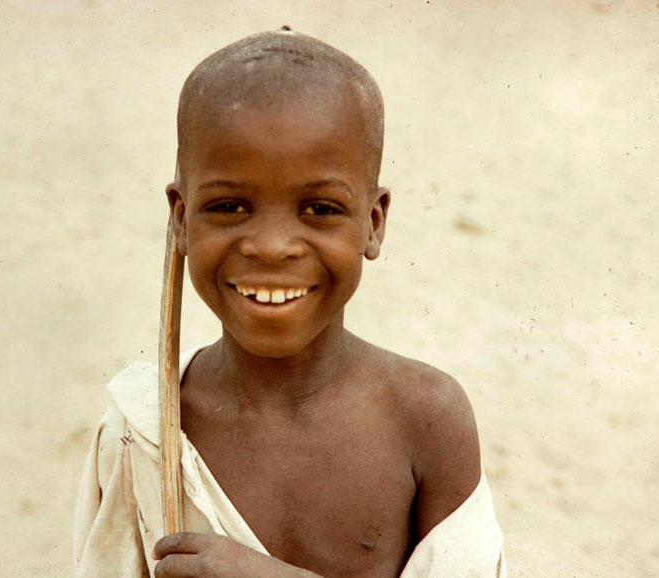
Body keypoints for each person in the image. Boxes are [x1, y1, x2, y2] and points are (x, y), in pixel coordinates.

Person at [74, 28, 506, 578]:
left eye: (320, 208)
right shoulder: (146, 430)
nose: (272, 247)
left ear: (373, 224)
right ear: (180, 218)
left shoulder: (426, 419)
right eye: (230, 205)